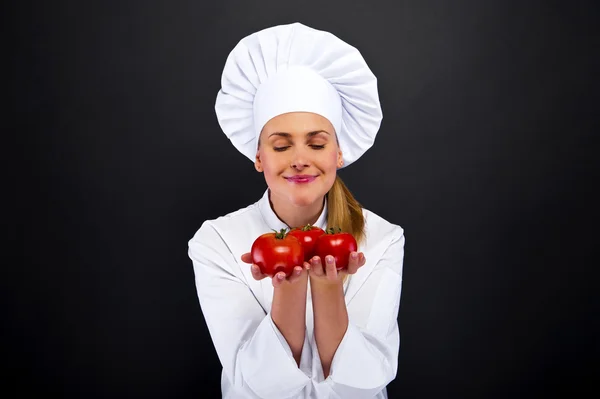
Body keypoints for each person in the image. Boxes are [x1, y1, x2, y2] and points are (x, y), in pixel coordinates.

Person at [188, 22, 406, 399]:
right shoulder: (217, 241)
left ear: (339, 153)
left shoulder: (383, 238)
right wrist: (286, 293)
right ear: (259, 157)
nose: (300, 159)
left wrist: (328, 288)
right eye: (281, 145)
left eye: (317, 144)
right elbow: (257, 384)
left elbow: (365, 380)